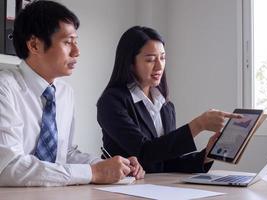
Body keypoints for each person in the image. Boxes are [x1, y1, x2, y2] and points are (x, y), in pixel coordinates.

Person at [0, 1, 144, 187]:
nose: (77, 51)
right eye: (68, 42)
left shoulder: (64, 92)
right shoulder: (5, 88)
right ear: (34, 45)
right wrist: (92, 172)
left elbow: (64, 154)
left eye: (76, 42)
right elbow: (8, 167)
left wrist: (110, 166)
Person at [97, 26, 241, 173]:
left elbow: (167, 162)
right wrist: (198, 125)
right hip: (125, 189)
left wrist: (207, 154)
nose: (159, 66)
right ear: (131, 63)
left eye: (163, 58)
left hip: (158, 187)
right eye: (151, 60)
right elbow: (145, 152)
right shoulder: (111, 102)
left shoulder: (166, 106)